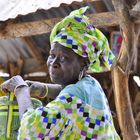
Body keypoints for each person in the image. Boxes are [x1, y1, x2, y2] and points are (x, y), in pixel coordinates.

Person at [1, 6, 120, 140]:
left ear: (84, 63)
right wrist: (42, 88)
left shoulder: (70, 100)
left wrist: (21, 90)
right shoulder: (91, 85)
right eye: (52, 55)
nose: (54, 63)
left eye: (64, 58)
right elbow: (71, 94)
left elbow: (29, 132)